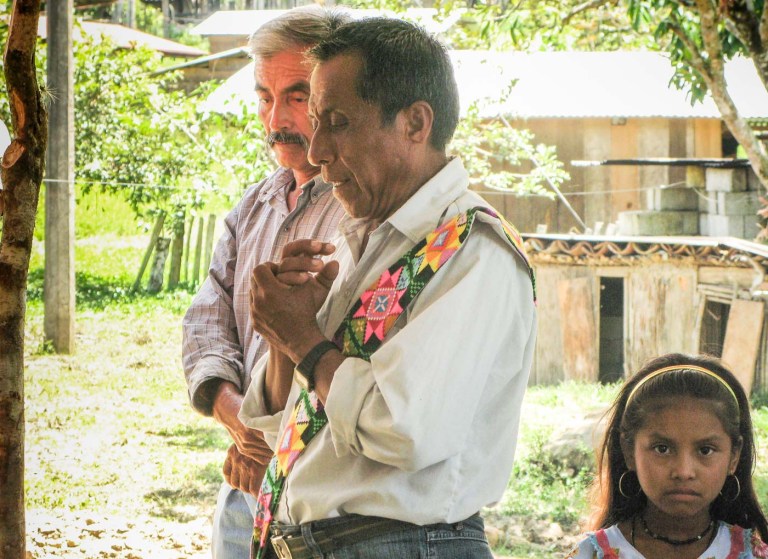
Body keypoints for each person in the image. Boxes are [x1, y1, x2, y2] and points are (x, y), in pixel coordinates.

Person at [239, 17, 538, 559]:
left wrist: (305, 339)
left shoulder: (475, 249)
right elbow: (287, 420)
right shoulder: (375, 243)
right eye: (317, 123)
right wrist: (288, 336)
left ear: (414, 123)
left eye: (337, 122)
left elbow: (404, 429)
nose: (316, 151)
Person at [181, 7, 349, 559]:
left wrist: (267, 434)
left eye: (297, 97)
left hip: (325, 501)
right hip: (244, 485)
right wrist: (234, 416)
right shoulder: (254, 205)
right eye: (264, 96)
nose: (276, 117)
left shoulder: (364, 213)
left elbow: (342, 346)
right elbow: (207, 318)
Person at [566, 353, 768, 559]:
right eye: (662, 448)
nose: (683, 471)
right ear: (629, 451)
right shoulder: (590, 554)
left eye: (705, 450)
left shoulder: (752, 554)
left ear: (734, 456)